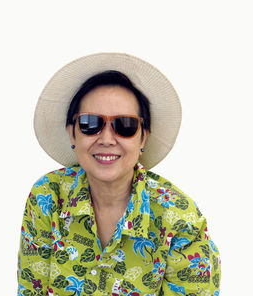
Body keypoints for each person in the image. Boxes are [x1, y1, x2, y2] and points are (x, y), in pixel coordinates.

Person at [18, 53, 221, 296]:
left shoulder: (180, 220)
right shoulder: (47, 197)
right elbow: (31, 290)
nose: (106, 139)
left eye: (125, 125)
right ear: (72, 134)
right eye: (90, 124)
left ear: (143, 136)